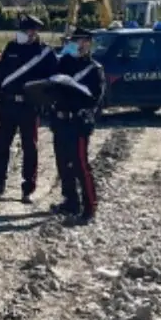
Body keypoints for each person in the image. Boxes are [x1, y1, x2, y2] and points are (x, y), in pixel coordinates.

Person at [0, 14, 58, 203]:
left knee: (29, 148)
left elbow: (52, 80)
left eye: (31, 31)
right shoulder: (11, 48)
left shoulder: (44, 52)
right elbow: (1, 73)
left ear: (36, 32)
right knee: (1, 144)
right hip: (8, 103)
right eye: (25, 30)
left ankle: (28, 189)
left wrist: (46, 102)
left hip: (28, 106)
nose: (28, 34)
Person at [47, 27, 106, 224]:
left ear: (90, 44)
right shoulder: (63, 63)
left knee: (80, 165)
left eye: (83, 41)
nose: (79, 45)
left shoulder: (95, 69)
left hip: (79, 123)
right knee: (63, 164)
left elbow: (96, 98)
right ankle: (70, 200)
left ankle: (90, 206)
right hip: (61, 120)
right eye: (76, 41)